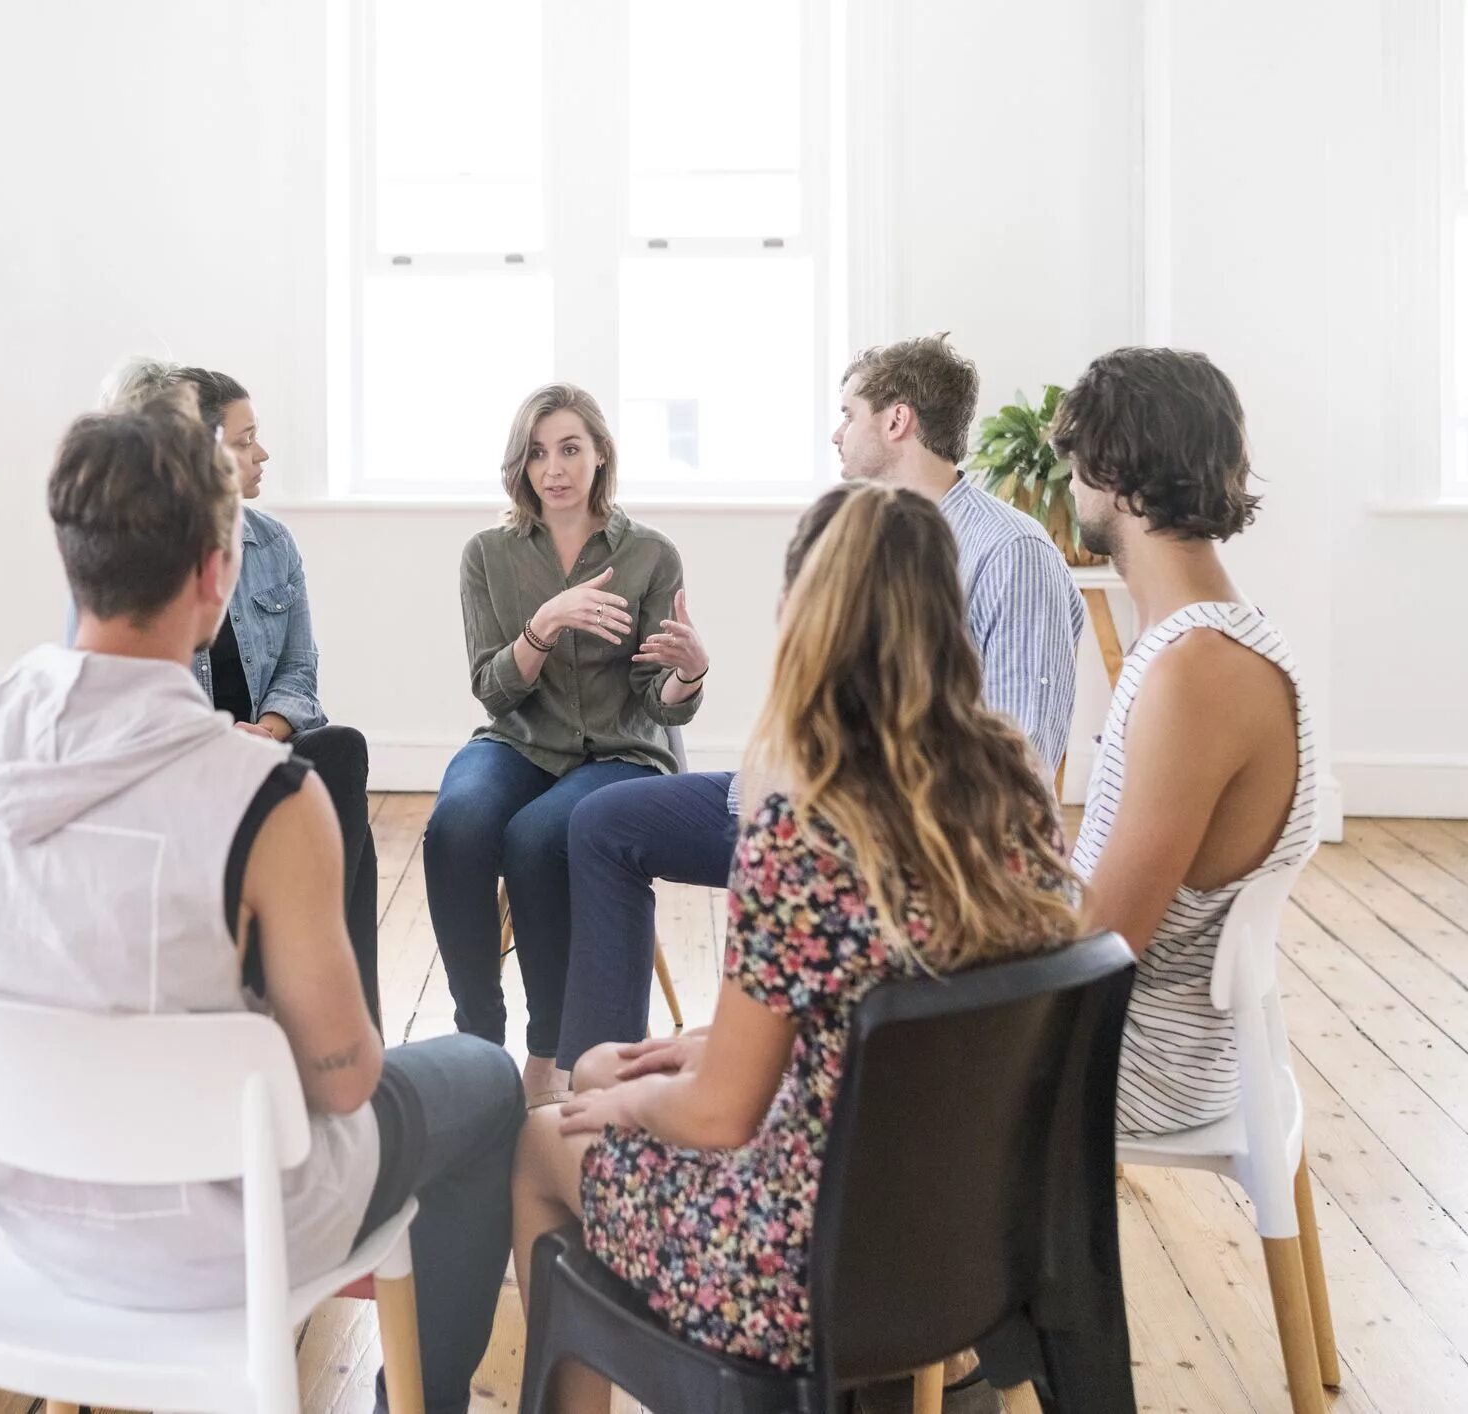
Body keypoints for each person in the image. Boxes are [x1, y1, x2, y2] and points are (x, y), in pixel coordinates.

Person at [0, 400, 524, 1414]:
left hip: (15, 1209)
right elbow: (348, 1078)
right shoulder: (263, 797)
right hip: (225, 1239)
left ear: (70, 558)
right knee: (487, 1080)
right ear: (215, 573)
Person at [510, 482, 1077, 1410]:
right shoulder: (1017, 804)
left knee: (547, 1137)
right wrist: (678, 1056)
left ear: (801, 617)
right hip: (971, 1238)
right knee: (617, 1071)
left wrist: (646, 1092)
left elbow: (720, 1119)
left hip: (802, 1269)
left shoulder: (805, 830)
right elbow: (879, 1007)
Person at [555, 334, 1084, 1075]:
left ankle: (665, 1087)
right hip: (803, 803)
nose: (837, 431)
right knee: (602, 823)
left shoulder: (1010, 552)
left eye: (849, 412)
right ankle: (597, 1074)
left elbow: (1022, 762)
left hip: (881, 841)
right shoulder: (859, 535)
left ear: (896, 422)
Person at [1055, 347, 1315, 1136]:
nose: (1069, 489)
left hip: (1130, 1060)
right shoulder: (1202, 642)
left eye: (1075, 468)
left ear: (1116, 475)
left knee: (837, 1043)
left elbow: (1106, 940)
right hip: (1131, 1035)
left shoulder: (1196, 671)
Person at [425, 383, 706, 1100]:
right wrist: (543, 626)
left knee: (536, 837)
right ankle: (475, 1036)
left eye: (571, 449)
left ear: (601, 454)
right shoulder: (488, 555)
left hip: (618, 751)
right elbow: (492, 689)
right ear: (520, 465)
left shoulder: (649, 556)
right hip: (518, 739)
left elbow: (659, 705)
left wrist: (688, 674)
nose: (554, 468)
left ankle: (545, 1055)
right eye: (538, 453)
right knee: (455, 825)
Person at [97, 357, 382, 1023]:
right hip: (181, 769)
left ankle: (317, 999)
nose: (263, 454)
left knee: (337, 754)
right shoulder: (133, 559)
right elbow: (121, 691)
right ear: (197, 456)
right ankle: (323, 1006)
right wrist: (220, 739)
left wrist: (269, 731)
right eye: (244, 440)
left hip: (261, 755)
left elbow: (300, 673)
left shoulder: (273, 544)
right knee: (340, 789)